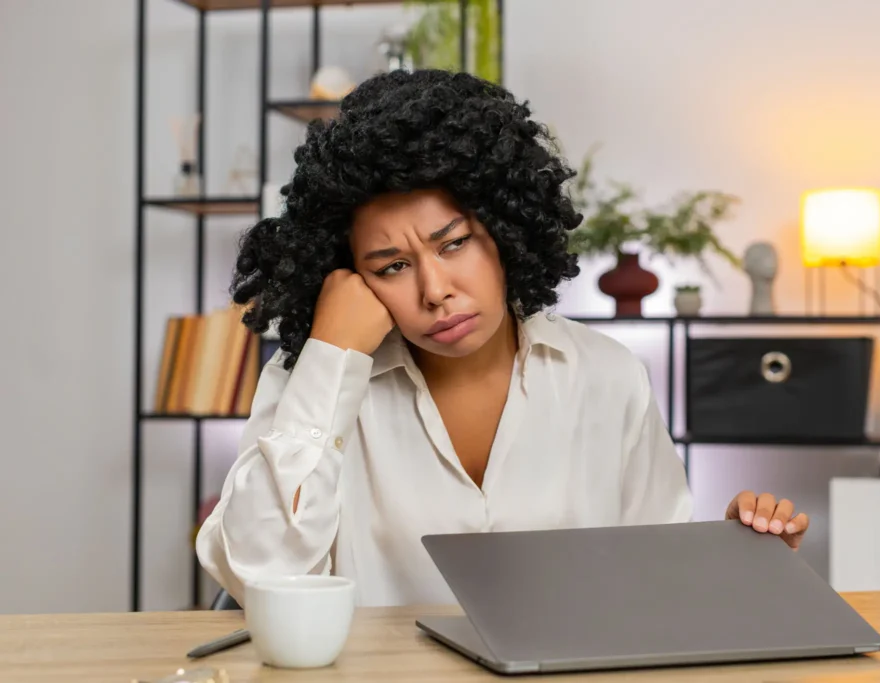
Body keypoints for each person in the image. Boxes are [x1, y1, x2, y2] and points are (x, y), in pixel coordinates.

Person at [196, 69, 809, 608]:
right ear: (349, 277)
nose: (435, 289)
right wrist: (330, 357)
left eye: (454, 243)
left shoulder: (605, 375)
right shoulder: (311, 379)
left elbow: (657, 584)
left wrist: (737, 557)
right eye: (391, 267)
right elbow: (264, 576)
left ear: (506, 227)